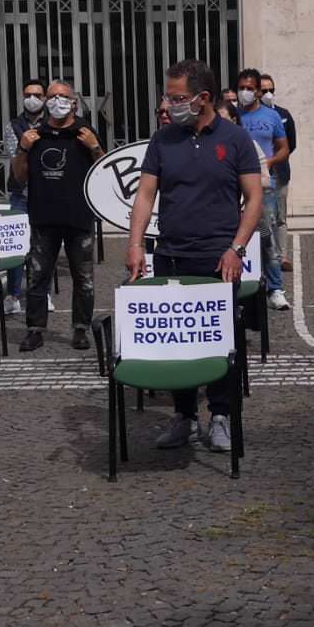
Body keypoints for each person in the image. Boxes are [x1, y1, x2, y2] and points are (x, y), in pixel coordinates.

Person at [127, 59, 262, 454]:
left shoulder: (235, 139)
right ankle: (184, 416)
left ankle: (221, 415)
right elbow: (145, 196)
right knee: (178, 342)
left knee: (221, 340)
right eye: (168, 97)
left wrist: (237, 248)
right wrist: (135, 244)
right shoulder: (162, 140)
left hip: (220, 258)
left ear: (203, 98)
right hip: (171, 255)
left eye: (177, 97)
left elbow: (254, 199)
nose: (169, 104)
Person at [13, 78, 104, 352]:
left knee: (83, 279)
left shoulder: (85, 132)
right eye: (51, 97)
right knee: (37, 277)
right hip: (44, 218)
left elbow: (104, 172)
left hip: (79, 217)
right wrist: (22, 149)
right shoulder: (35, 135)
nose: (56, 101)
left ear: (73, 103)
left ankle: (80, 329)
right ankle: (35, 329)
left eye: (62, 97)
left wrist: (94, 146)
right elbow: (19, 177)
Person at [233, 68, 291, 310]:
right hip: (234, 184)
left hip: (264, 185)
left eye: (249, 88)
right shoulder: (232, 116)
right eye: (241, 88)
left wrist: (269, 161)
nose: (244, 92)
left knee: (268, 238)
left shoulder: (272, 116)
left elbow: (284, 148)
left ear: (257, 91)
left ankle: (275, 289)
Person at [1, 77, 49, 316]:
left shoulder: (52, 122)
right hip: (21, 193)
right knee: (16, 246)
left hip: (47, 194)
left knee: (44, 246)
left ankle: (43, 293)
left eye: (37, 95)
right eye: (28, 95)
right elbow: (16, 157)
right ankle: (13, 294)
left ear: (45, 98)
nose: (32, 99)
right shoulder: (13, 125)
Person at [259, 72, 297, 272]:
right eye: (264, 90)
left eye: (271, 90)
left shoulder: (284, 114)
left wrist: (277, 158)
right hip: (259, 174)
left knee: (280, 217)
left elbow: (291, 143)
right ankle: (267, 256)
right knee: (265, 218)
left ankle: (282, 256)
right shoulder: (251, 115)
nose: (268, 94)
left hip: (280, 173)